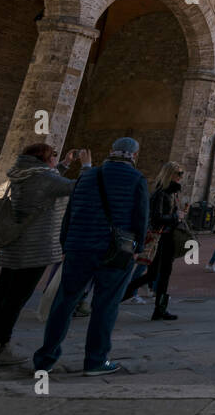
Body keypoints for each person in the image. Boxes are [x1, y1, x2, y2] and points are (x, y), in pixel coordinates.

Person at [33, 137, 149, 376]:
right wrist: (137, 247)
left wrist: (66, 243)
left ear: (110, 151)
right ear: (134, 156)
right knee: (105, 305)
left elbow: (70, 212)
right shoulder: (136, 178)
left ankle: (45, 359)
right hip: (115, 251)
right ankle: (95, 360)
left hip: (79, 247)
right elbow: (141, 218)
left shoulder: (88, 176)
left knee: (64, 303)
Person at [0, 145, 89, 366]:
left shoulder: (22, 173)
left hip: (15, 244)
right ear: (43, 159)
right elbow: (78, 187)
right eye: (52, 156)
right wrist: (86, 167)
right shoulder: (44, 178)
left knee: (2, 293)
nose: (54, 159)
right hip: (35, 246)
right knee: (16, 299)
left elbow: (47, 184)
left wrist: (64, 164)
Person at [124, 161, 186, 317]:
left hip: (168, 236)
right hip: (161, 237)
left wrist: (179, 215)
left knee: (164, 273)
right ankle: (120, 295)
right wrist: (175, 216)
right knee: (153, 274)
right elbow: (156, 217)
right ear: (170, 174)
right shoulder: (161, 193)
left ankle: (160, 309)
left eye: (181, 174)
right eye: (179, 173)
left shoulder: (173, 193)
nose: (181, 177)